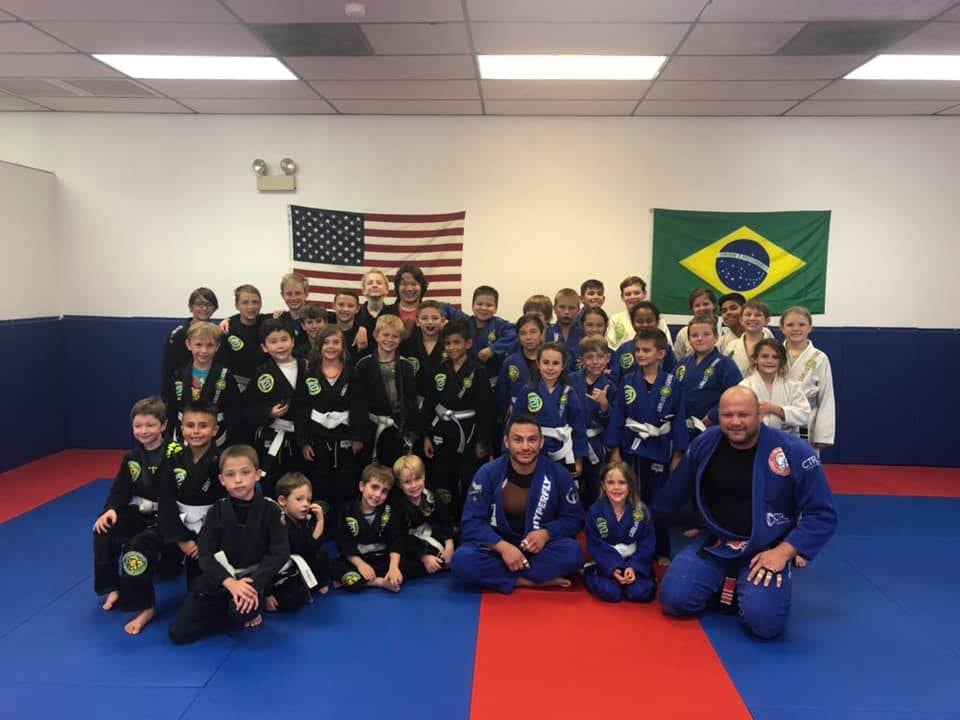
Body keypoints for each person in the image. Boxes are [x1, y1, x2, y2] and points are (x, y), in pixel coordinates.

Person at [653, 386, 838, 639]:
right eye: (727, 415)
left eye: (744, 415)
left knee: (764, 623)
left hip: (766, 548)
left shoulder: (792, 451)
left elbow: (823, 514)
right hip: (717, 541)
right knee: (674, 600)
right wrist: (637, 527)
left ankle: (741, 583)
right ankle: (724, 580)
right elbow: (672, 495)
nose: (735, 422)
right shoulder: (706, 443)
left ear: (759, 415)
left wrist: (785, 551)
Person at [168, 444, 290, 644]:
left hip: (251, 581)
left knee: (239, 615)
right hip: (221, 579)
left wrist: (253, 586)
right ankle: (226, 604)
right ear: (221, 480)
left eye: (245, 472)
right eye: (230, 475)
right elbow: (205, 555)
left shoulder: (271, 510)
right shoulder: (216, 511)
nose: (238, 480)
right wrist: (230, 583)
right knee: (179, 634)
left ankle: (245, 603)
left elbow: (280, 553)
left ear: (257, 474)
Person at [451, 415, 584, 594]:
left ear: (541, 442)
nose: (525, 447)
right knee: (462, 560)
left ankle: (505, 577)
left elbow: (574, 518)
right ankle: (529, 581)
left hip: (538, 549)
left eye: (532, 440)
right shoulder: (488, 473)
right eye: (518, 440)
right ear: (507, 442)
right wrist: (503, 547)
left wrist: (546, 533)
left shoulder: (558, 474)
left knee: (573, 553)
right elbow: (471, 522)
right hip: (497, 548)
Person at [92, 396, 181, 635]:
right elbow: (120, 490)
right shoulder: (131, 457)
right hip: (140, 513)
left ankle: (145, 606)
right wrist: (110, 510)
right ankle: (113, 586)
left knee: (137, 548)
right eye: (138, 426)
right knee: (104, 530)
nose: (143, 431)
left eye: (150, 425)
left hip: (171, 519)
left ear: (163, 425)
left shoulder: (177, 454)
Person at [421, 317, 494, 516]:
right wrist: (427, 435)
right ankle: (446, 519)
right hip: (442, 431)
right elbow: (430, 404)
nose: (452, 347)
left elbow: (485, 409)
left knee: (469, 478)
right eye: (448, 343)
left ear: (468, 344)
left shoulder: (478, 371)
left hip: (468, 432)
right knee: (443, 478)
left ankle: (470, 519)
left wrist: (482, 441)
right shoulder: (440, 369)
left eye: (457, 342)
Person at [296, 326, 367, 518]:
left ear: (343, 346)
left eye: (336, 342)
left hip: (345, 440)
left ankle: (347, 522)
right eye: (326, 342)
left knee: (347, 484)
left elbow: (359, 407)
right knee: (320, 485)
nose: (331, 346)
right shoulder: (309, 374)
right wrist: (304, 441)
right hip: (318, 440)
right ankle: (321, 524)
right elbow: (301, 409)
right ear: (318, 346)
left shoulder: (352, 373)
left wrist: (358, 437)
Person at [157, 402, 224, 588]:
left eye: (203, 426)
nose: (196, 431)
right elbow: (166, 501)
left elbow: (225, 504)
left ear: (215, 430)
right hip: (178, 524)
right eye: (190, 425)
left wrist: (205, 541)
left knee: (198, 585)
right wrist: (182, 539)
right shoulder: (174, 459)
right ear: (182, 429)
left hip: (210, 528)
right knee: (165, 570)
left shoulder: (222, 461)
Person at [331, 464, 419, 592]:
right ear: (362, 486)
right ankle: (379, 582)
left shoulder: (390, 510)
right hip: (359, 559)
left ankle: (371, 580)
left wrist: (393, 567)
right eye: (374, 487)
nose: (378, 494)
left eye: (384, 491)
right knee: (334, 567)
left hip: (384, 558)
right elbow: (344, 544)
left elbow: (396, 540)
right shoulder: (347, 510)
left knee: (413, 564)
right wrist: (361, 565)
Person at [244, 319, 305, 498]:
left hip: (303, 438)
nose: (280, 345)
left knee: (301, 484)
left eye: (284, 339)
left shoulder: (307, 366)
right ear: (264, 347)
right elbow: (249, 408)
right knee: (273, 484)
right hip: (273, 438)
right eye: (273, 341)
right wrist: (268, 413)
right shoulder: (262, 373)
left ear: (293, 341)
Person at [509, 342, 587, 480]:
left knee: (560, 486)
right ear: (538, 364)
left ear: (563, 366)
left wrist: (578, 459)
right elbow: (514, 423)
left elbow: (579, 427)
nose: (550, 368)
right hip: (534, 449)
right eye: (546, 362)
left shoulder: (568, 392)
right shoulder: (528, 391)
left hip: (562, 450)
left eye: (555, 363)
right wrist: (510, 453)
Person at [582, 462, 656, 603]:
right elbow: (595, 544)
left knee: (640, 592)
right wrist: (613, 567)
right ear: (603, 486)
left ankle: (637, 574)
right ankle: (590, 573)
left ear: (630, 485)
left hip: (633, 561)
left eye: (622, 482)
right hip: (606, 562)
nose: (616, 487)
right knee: (610, 592)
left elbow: (647, 543)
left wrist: (633, 567)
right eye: (611, 482)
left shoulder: (641, 511)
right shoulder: (595, 512)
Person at [162, 322, 241, 450]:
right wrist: (168, 439)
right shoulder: (178, 375)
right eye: (198, 345)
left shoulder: (225, 375)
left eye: (210, 345)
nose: (204, 351)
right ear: (188, 345)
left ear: (217, 346)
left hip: (217, 441)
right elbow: (171, 409)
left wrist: (233, 445)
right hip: (183, 439)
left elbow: (234, 413)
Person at [356, 314, 419, 467]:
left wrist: (411, 430)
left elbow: (411, 401)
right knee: (369, 471)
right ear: (376, 335)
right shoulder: (363, 365)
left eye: (395, 336)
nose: (390, 339)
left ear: (400, 339)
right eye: (385, 334)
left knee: (395, 469)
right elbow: (357, 402)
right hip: (371, 427)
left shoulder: (406, 366)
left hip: (396, 427)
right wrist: (358, 433)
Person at [265, 472, 330, 612]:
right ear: (283, 501)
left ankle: (308, 585)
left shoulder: (301, 520)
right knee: (290, 600)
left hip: (295, 565)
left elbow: (312, 547)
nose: (306, 504)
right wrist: (267, 594)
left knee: (323, 556)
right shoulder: (278, 524)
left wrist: (319, 520)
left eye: (308, 500)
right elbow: (265, 562)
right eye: (299, 499)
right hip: (276, 572)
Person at [570, 336, 621, 506]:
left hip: (597, 444)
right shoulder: (571, 380)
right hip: (572, 442)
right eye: (589, 357)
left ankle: (597, 514)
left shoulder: (611, 386)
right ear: (582, 360)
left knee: (596, 484)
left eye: (600, 357)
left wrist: (604, 405)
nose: (595, 362)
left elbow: (615, 421)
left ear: (608, 358)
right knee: (573, 485)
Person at [676, 315, 743, 439]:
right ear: (689, 340)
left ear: (716, 337)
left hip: (713, 428)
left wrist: (712, 416)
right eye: (694, 335)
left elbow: (735, 395)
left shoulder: (726, 364)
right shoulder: (682, 364)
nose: (700, 339)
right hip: (682, 427)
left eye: (706, 334)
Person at [781, 307, 836, 450]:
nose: (796, 329)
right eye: (790, 324)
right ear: (782, 328)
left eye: (802, 324)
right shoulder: (774, 354)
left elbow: (826, 396)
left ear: (810, 327)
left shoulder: (819, 358)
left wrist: (823, 435)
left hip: (806, 420)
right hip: (778, 418)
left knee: (804, 460)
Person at [392, 455, 454, 576]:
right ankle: (433, 562)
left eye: (417, 479)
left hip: (437, 538)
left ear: (424, 476)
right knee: (402, 566)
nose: (414, 485)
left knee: (464, 549)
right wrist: (423, 556)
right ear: (399, 484)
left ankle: (443, 559)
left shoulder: (432, 496)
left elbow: (446, 521)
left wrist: (449, 546)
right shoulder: (397, 506)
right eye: (407, 482)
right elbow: (400, 538)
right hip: (414, 546)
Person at [739, 339, 811, 436]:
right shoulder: (744, 386)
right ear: (755, 359)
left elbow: (804, 414)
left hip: (786, 439)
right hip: (755, 438)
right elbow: (740, 415)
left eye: (775, 357)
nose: (770, 361)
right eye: (765, 356)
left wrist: (775, 409)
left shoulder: (792, 386)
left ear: (781, 361)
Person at [160, 287, 218, 390]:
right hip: (182, 388)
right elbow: (169, 369)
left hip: (212, 387)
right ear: (190, 307)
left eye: (209, 304)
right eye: (199, 304)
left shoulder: (218, 333)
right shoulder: (178, 335)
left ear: (214, 308)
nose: (204, 308)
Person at [215, 284, 267, 396]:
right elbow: (221, 362)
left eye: (255, 302)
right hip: (236, 382)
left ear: (261, 304)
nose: (251, 307)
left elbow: (292, 315)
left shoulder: (268, 322)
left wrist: (280, 311)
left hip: (263, 380)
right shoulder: (227, 328)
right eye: (245, 303)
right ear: (237, 305)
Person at [610, 301, 677, 382]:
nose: (645, 325)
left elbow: (673, 375)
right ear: (633, 324)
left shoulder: (664, 348)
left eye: (649, 321)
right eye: (639, 321)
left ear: (657, 322)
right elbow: (615, 378)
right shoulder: (624, 349)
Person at [495, 313, 544, 422]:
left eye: (533, 332)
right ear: (518, 336)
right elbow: (502, 394)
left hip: (545, 415)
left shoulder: (550, 359)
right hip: (517, 416)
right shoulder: (510, 362)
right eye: (523, 333)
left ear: (541, 333)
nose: (528, 337)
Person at [399, 299, 445, 409]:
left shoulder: (450, 345)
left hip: (443, 402)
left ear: (442, 321)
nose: (430, 322)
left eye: (435, 318)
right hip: (415, 403)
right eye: (424, 318)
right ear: (417, 322)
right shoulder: (406, 346)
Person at [468, 285, 516, 387]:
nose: (484, 308)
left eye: (489, 305)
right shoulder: (465, 323)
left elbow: (515, 334)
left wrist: (493, 349)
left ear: (496, 308)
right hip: (468, 378)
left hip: (493, 380)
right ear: (472, 305)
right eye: (479, 304)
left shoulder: (500, 325)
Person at [606, 276, 671, 350]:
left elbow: (666, 346)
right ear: (622, 297)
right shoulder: (615, 319)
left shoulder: (658, 319)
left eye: (637, 293)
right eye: (628, 294)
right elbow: (610, 347)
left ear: (644, 294)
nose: (632, 297)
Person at [727, 299, 775, 375]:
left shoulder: (776, 347)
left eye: (758, 315)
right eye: (748, 315)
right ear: (741, 320)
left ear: (767, 320)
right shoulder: (730, 347)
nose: (752, 318)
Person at [673, 287, 718, 360]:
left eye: (706, 304)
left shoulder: (723, 332)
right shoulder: (684, 333)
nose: (702, 308)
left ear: (714, 305)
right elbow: (677, 360)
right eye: (697, 305)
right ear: (692, 309)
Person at [546, 288, 584, 363]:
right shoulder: (546, 332)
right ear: (554, 309)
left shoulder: (583, 334)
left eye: (571, 308)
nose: (566, 312)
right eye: (562, 307)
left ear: (578, 310)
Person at [332, 288, 369, 364]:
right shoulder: (324, 326)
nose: (345, 309)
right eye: (341, 305)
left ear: (357, 309)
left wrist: (363, 328)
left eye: (350, 306)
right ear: (333, 306)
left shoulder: (365, 335)